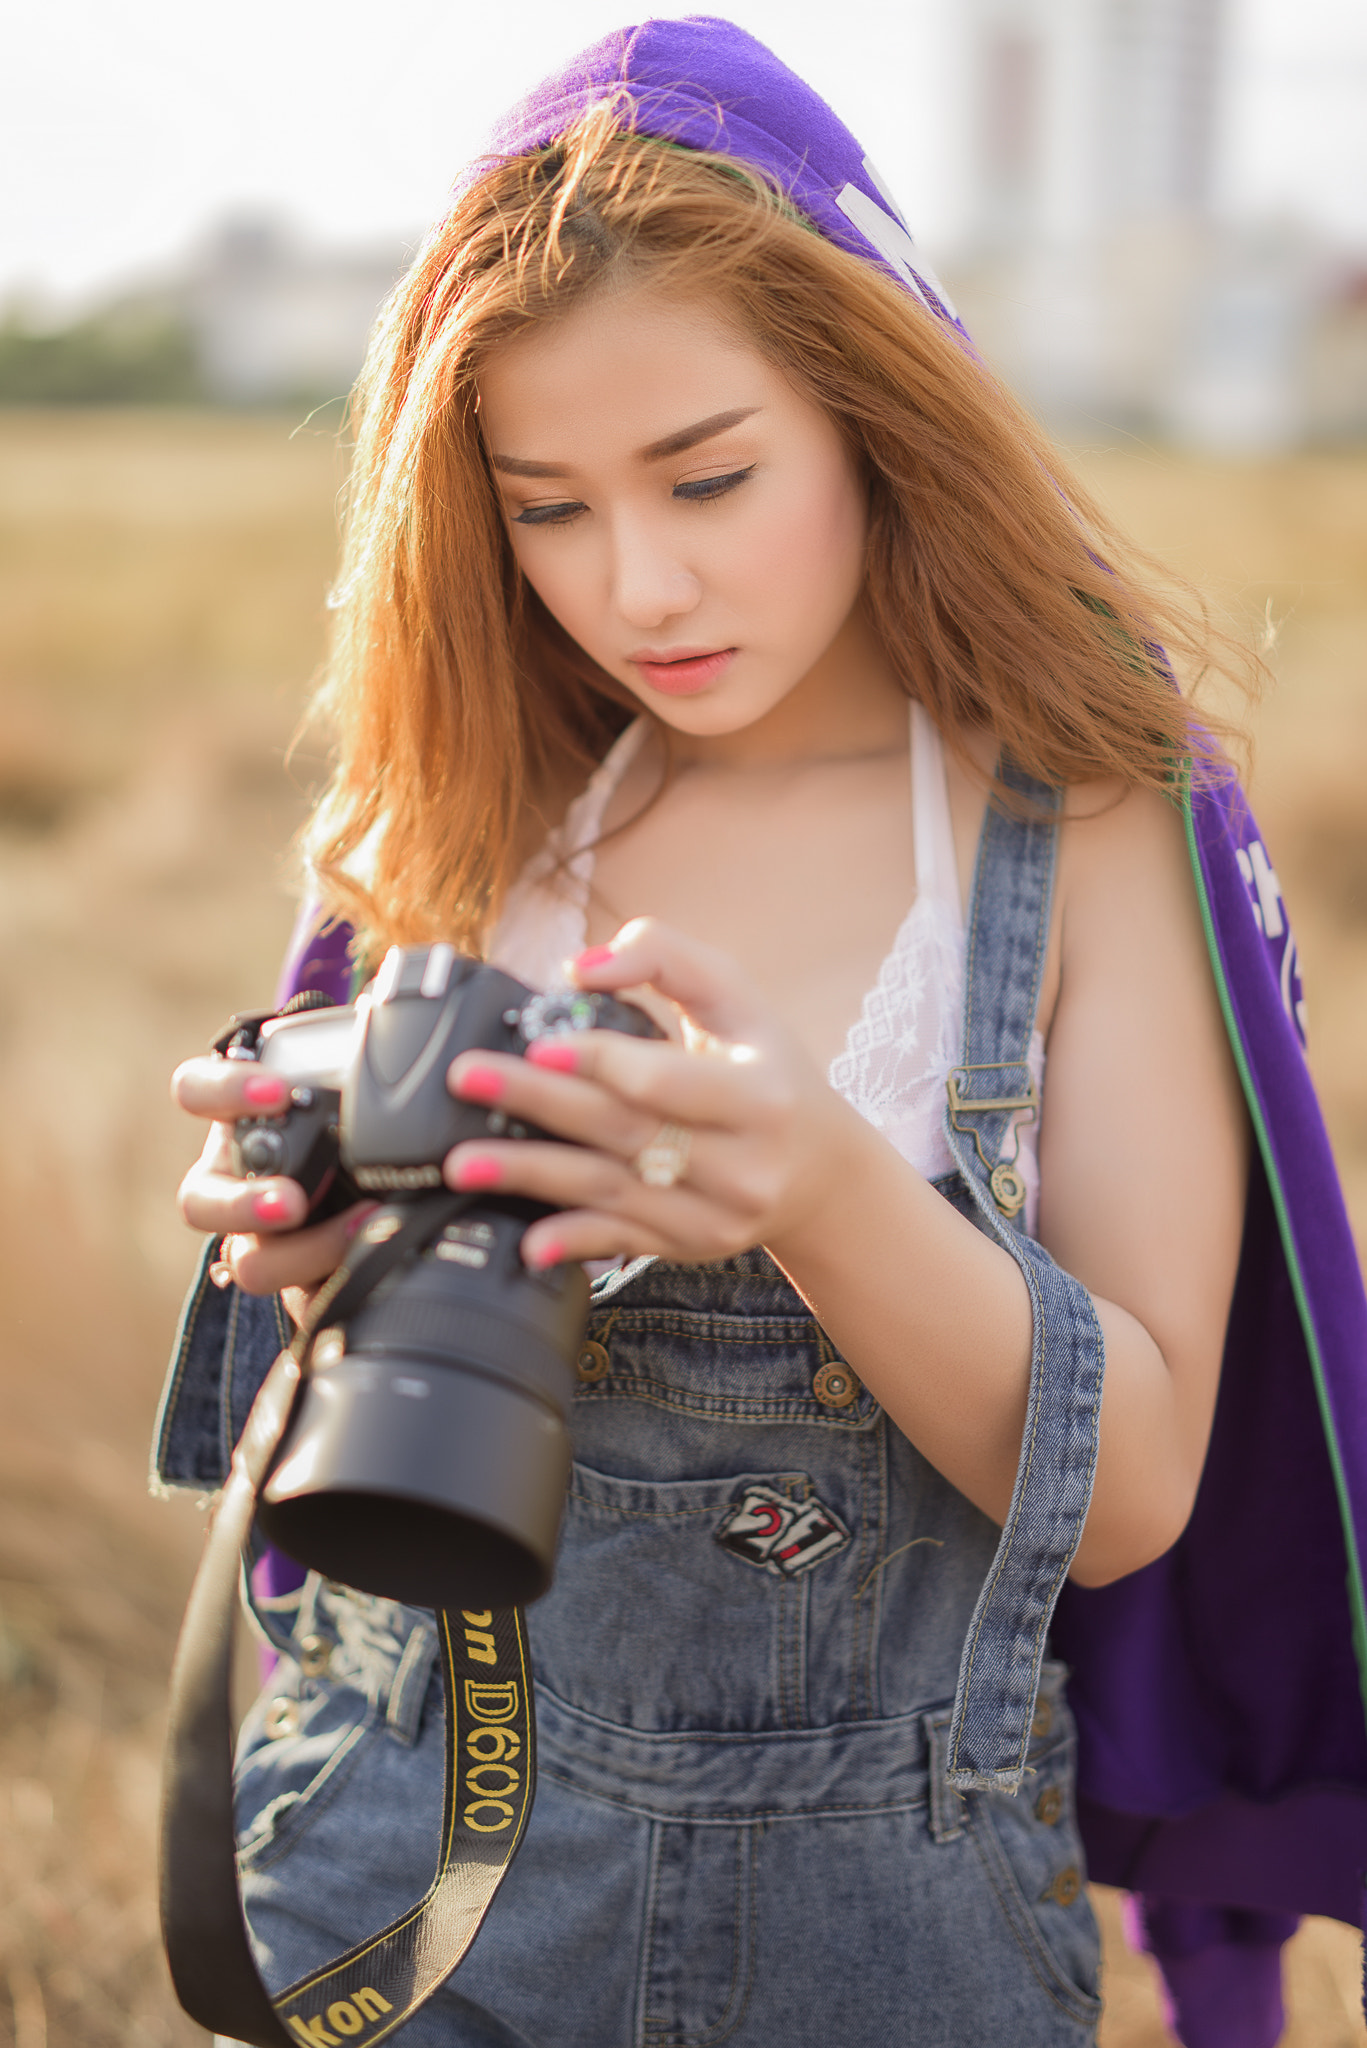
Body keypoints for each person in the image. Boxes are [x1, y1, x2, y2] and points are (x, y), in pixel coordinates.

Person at [155, 21, 1367, 2048]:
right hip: (393, 1875)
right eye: (544, 508)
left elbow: (1141, 1474)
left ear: (875, 410)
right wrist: (301, 1270)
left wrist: (811, 1183)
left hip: (875, 1928)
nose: (639, 583)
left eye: (709, 476)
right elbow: (366, 1461)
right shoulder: (475, 807)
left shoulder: (1070, 819)